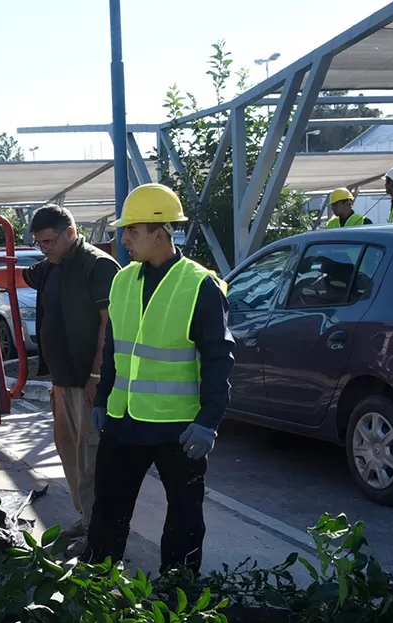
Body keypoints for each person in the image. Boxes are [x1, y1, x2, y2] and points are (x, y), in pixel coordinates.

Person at [86, 184, 235, 577]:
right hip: (123, 420)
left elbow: (220, 360)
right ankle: (96, 584)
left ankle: (177, 591)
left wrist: (208, 422)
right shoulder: (122, 281)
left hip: (178, 429)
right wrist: (102, 398)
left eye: (132, 230)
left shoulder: (199, 285)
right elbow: (115, 347)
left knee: (185, 517)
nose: (124, 238)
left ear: (158, 231)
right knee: (108, 510)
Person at [23, 204, 120, 536]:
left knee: (91, 461)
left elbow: (109, 327)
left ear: (70, 232)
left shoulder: (98, 265)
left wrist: (97, 376)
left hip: (88, 383)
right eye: (39, 243)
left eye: (49, 241)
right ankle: (87, 520)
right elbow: (18, 271)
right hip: (63, 383)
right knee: (71, 458)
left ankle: (100, 535)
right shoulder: (54, 264)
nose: (43, 249)